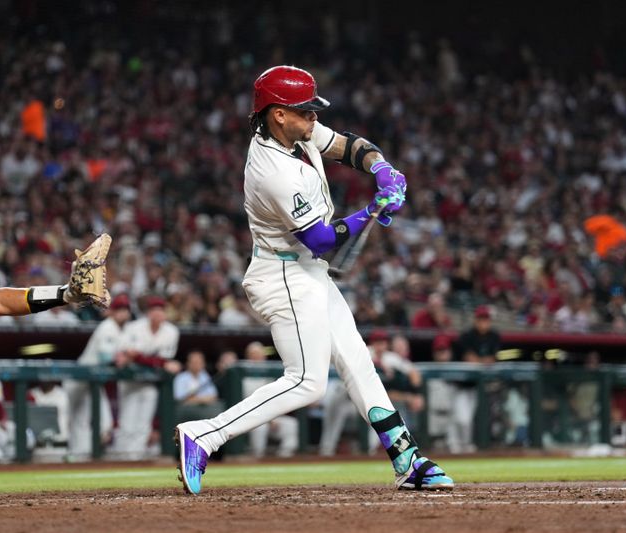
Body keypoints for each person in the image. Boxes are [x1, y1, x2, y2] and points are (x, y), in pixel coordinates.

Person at [175, 66, 452, 494]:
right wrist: (370, 211)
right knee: (307, 381)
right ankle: (206, 434)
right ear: (278, 115)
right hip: (283, 272)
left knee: (358, 361)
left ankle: (407, 458)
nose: (314, 119)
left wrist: (383, 169)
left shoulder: (297, 132)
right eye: (305, 112)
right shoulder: (272, 169)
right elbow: (322, 240)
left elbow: (347, 146)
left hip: (307, 270)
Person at [112, 295, 181, 459]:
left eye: (161, 310)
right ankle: (122, 456)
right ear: (148, 313)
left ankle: (137, 457)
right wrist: (157, 362)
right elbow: (129, 354)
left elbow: (163, 358)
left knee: (143, 423)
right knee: (127, 421)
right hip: (130, 380)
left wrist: (142, 358)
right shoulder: (134, 327)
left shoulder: (171, 331)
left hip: (149, 382)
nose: (157, 314)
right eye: (154, 310)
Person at [64, 294, 131, 458]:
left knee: (90, 420)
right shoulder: (107, 327)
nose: (123, 313)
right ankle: (71, 453)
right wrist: (122, 357)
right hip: (80, 376)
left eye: (126, 310)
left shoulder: (122, 331)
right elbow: (105, 356)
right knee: (69, 418)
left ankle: (80, 454)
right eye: (119, 310)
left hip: (91, 380)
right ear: (113, 312)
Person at [449, 305, 501, 453]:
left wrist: (481, 361)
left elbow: (494, 358)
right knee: (460, 418)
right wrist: (483, 361)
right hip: (461, 384)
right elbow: (469, 358)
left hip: (479, 386)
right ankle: (456, 445)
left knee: (470, 419)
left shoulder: (494, 336)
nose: (484, 322)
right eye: (481, 319)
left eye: (486, 319)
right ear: (475, 320)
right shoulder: (467, 336)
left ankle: (465, 445)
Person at [242, 341, 299, 458]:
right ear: (249, 356)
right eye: (255, 355)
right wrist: (268, 419)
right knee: (260, 428)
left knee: (292, 425)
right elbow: (250, 403)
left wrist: (272, 417)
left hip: (272, 416)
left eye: (260, 355)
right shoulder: (244, 374)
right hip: (252, 418)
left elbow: (277, 400)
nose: (259, 358)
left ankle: (283, 459)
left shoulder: (269, 373)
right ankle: (258, 459)